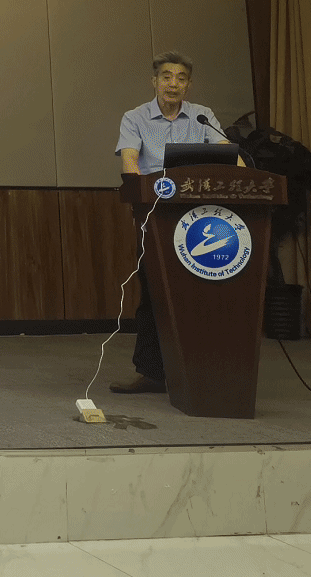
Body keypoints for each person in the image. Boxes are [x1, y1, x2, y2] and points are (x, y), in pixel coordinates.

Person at [108, 50, 237, 394]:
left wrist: (246, 177)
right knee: (155, 291)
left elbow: (228, 154)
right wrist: (143, 196)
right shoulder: (135, 117)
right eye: (166, 77)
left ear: (188, 85)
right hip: (157, 215)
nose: (173, 84)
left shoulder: (202, 116)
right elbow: (130, 162)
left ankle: (205, 369)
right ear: (155, 81)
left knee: (204, 292)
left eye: (181, 78)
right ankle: (152, 372)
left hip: (201, 215)